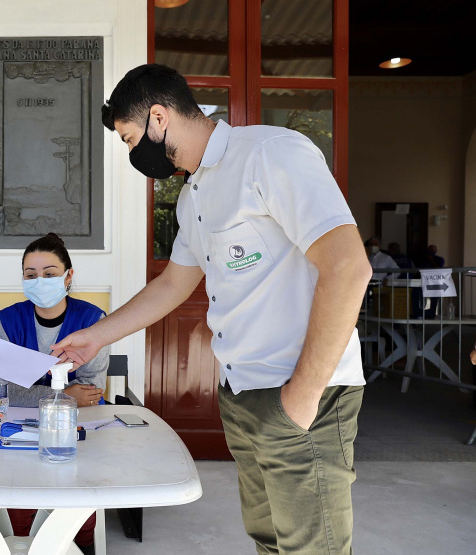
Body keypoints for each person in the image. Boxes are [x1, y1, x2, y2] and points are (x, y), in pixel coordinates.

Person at [53, 64, 371, 555]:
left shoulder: (270, 153)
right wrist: (97, 336)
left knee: (313, 549)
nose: (133, 153)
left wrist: (303, 397)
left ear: (159, 117)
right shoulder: (194, 195)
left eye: (130, 139)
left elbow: (348, 267)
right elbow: (174, 284)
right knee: (269, 541)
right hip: (242, 395)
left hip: (302, 392)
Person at [0, 232, 108, 555]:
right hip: (18, 430)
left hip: (76, 429)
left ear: (68, 276)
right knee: (19, 505)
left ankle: (81, 546)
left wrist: (30, 391)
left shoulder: (92, 321)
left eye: (49, 273)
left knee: (78, 507)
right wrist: (65, 394)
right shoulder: (7, 320)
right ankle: (23, 545)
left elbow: (91, 392)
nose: (39, 281)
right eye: (31, 275)